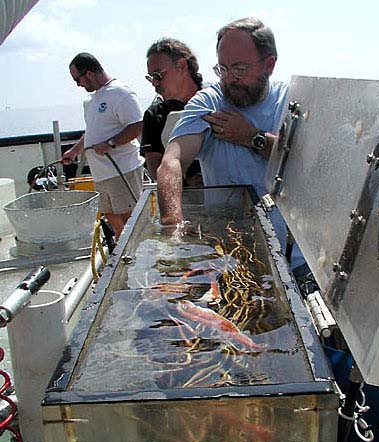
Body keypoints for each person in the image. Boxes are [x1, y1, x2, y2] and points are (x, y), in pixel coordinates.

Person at [157, 17, 304, 269]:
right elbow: (172, 162)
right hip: (232, 257)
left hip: (294, 256)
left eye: (239, 69)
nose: (228, 79)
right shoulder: (210, 103)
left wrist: (253, 138)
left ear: (269, 65)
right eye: (222, 69)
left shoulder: (292, 101)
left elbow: (308, 163)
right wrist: (173, 224)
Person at [62, 52, 144, 238]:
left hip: (122, 170)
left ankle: (137, 255)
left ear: (89, 74)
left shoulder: (121, 93)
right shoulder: (91, 101)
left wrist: (110, 144)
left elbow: (137, 125)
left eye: (77, 79)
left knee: (130, 220)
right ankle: (124, 252)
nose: (78, 85)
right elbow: (91, 132)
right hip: (101, 175)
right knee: (112, 217)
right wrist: (74, 151)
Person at [141, 38, 203, 186]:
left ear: (181, 66)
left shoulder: (217, 102)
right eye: (151, 78)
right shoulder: (154, 115)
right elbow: (155, 167)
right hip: (185, 200)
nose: (154, 83)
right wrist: (186, 180)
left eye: (158, 75)